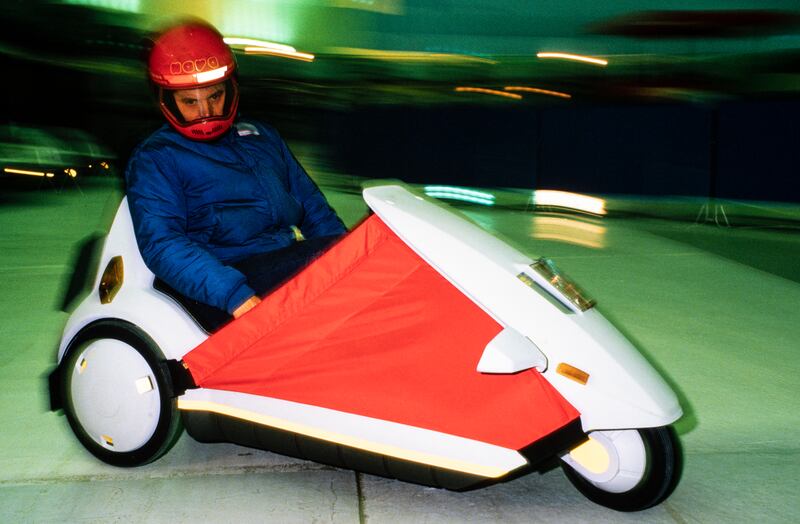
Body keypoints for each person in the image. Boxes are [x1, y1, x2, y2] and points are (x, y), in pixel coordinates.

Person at [125, 21, 346, 331]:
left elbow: (313, 207)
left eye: (214, 96)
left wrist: (350, 253)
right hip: (218, 283)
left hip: (277, 261)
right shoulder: (157, 158)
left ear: (231, 89)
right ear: (167, 100)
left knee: (355, 252)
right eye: (190, 101)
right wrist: (235, 296)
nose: (206, 111)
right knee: (320, 261)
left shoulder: (261, 137)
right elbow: (163, 243)